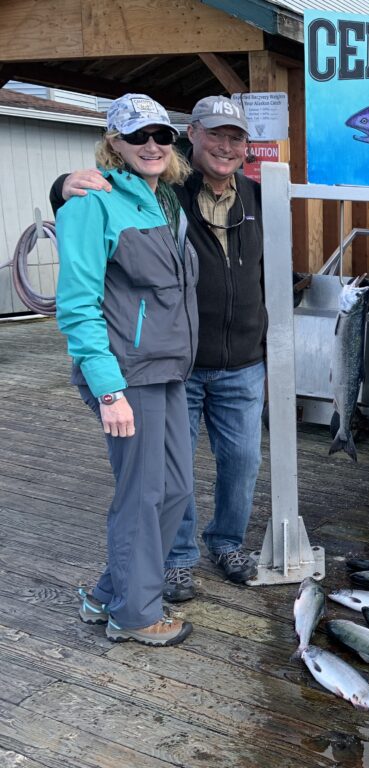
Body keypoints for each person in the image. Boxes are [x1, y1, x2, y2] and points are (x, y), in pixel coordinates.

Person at [54, 96, 266, 600]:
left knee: (228, 466)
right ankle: (164, 571)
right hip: (165, 365)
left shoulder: (252, 197)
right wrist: (62, 188)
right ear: (192, 136)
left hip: (236, 360)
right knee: (163, 484)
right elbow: (92, 228)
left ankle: (222, 544)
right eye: (215, 134)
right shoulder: (170, 188)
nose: (226, 146)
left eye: (236, 138)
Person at [55, 94, 197, 646]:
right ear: (114, 143)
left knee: (176, 490)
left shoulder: (166, 202)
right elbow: (78, 303)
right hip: (127, 376)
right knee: (143, 493)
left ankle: (107, 594)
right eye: (138, 137)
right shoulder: (91, 204)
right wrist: (108, 389)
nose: (152, 146)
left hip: (167, 370)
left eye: (161, 135)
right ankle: (135, 615)